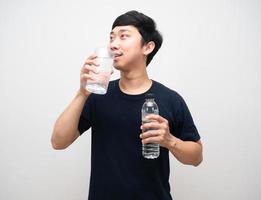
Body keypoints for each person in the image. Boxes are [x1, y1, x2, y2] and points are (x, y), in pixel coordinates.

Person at [51, 10, 203, 200]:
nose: (113, 44)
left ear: (147, 47)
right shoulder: (98, 95)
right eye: (111, 37)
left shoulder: (170, 99)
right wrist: (82, 92)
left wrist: (169, 140)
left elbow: (196, 157)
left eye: (123, 36)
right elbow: (58, 142)